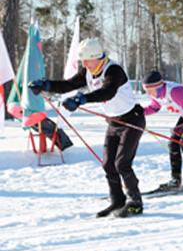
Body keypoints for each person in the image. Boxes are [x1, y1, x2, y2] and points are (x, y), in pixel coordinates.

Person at [28, 38, 145, 218]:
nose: (84, 64)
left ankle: (135, 202)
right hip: (114, 122)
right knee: (108, 164)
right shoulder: (88, 72)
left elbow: (107, 92)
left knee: (122, 163)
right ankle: (117, 200)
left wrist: (82, 99)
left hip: (132, 120)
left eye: (87, 61)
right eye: (82, 61)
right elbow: (68, 85)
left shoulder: (114, 70)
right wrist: (47, 84)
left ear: (97, 58)